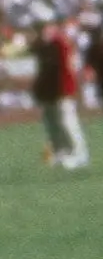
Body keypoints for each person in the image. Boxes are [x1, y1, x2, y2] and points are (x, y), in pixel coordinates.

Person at [34, 19, 88, 171]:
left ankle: (79, 153)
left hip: (62, 89)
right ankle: (60, 151)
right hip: (48, 91)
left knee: (67, 121)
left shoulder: (60, 43)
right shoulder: (43, 44)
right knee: (51, 123)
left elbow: (67, 68)